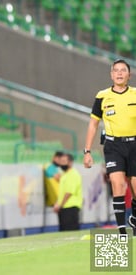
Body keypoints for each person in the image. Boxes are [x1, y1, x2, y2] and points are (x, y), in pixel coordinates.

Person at [83, 59, 136, 236]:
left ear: (129, 75)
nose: (119, 73)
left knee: (135, 185)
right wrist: (87, 151)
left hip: (135, 145)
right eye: (116, 71)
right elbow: (93, 124)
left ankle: (134, 220)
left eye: (123, 70)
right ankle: (122, 231)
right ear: (111, 74)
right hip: (113, 145)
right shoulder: (102, 96)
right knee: (117, 183)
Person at [53, 153, 83, 231]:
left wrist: (60, 205)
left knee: (70, 231)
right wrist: (57, 203)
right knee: (63, 232)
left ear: (70, 162)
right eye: (61, 161)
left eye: (63, 161)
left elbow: (68, 193)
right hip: (64, 207)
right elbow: (62, 192)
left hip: (71, 208)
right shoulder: (64, 175)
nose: (61, 164)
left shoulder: (73, 174)